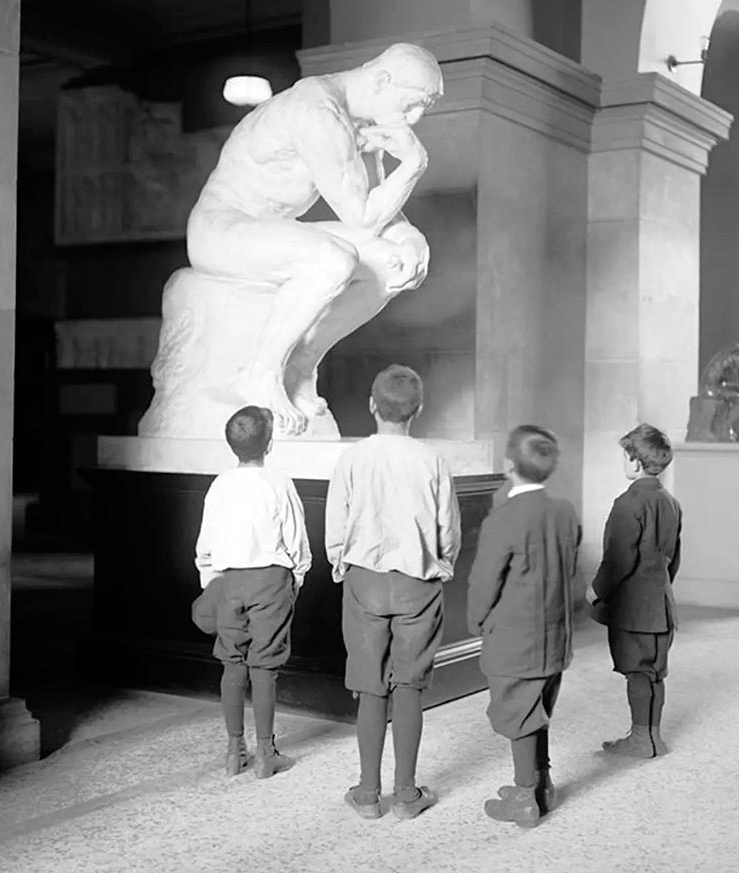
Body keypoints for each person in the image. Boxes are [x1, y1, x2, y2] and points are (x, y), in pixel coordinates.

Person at [187, 43, 443, 434]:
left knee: (392, 264)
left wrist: (410, 239)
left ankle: (301, 364)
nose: (416, 117)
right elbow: (361, 216)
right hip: (220, 231)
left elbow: (380, 212)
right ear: (381, 80)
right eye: (412, 104)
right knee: (333, 260)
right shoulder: (317, 111)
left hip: (270, 232)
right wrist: (413, 165)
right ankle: (259, 373)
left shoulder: (359, 121)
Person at [325, 365, 461, 820]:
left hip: (365, 580)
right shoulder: (432, 461)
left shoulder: (352, 458)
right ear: (418, 410)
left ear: (371, 404)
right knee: (409, 686)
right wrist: (442, 564)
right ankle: (406, 793)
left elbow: (335, 524)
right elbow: (448, 530)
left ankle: (367, 793)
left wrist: (340, 562)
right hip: (417, 585)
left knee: (370, 687)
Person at [467, 426, 580, 828]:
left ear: (508, 467)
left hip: (517, 640)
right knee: (538, 712)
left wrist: (476, 620)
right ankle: (542, 782)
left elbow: (484, 582)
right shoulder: (565, 511)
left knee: (518, 713)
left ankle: (524, 796)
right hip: (555, 637)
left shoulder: (503, 520)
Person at [191, 405, 311, 778]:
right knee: (265, 668)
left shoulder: (219, 485)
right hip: (271, 580)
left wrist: (212, 582)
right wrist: (296, 579)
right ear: (270, 444)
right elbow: (297, 543)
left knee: (231, 664)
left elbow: (206, 545)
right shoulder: (279, 483)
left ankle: (232, 750)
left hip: (229, 581)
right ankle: (265, 754)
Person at [588, 423, 682, 758]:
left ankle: (641, 739)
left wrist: (596, 590)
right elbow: (674, 557)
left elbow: (618, 559)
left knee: (637, 672)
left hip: (634, 608)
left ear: (633, 460)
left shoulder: (627, 504)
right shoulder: (670, 503)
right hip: (661, 602)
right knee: (655, 672)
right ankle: (653, 736)